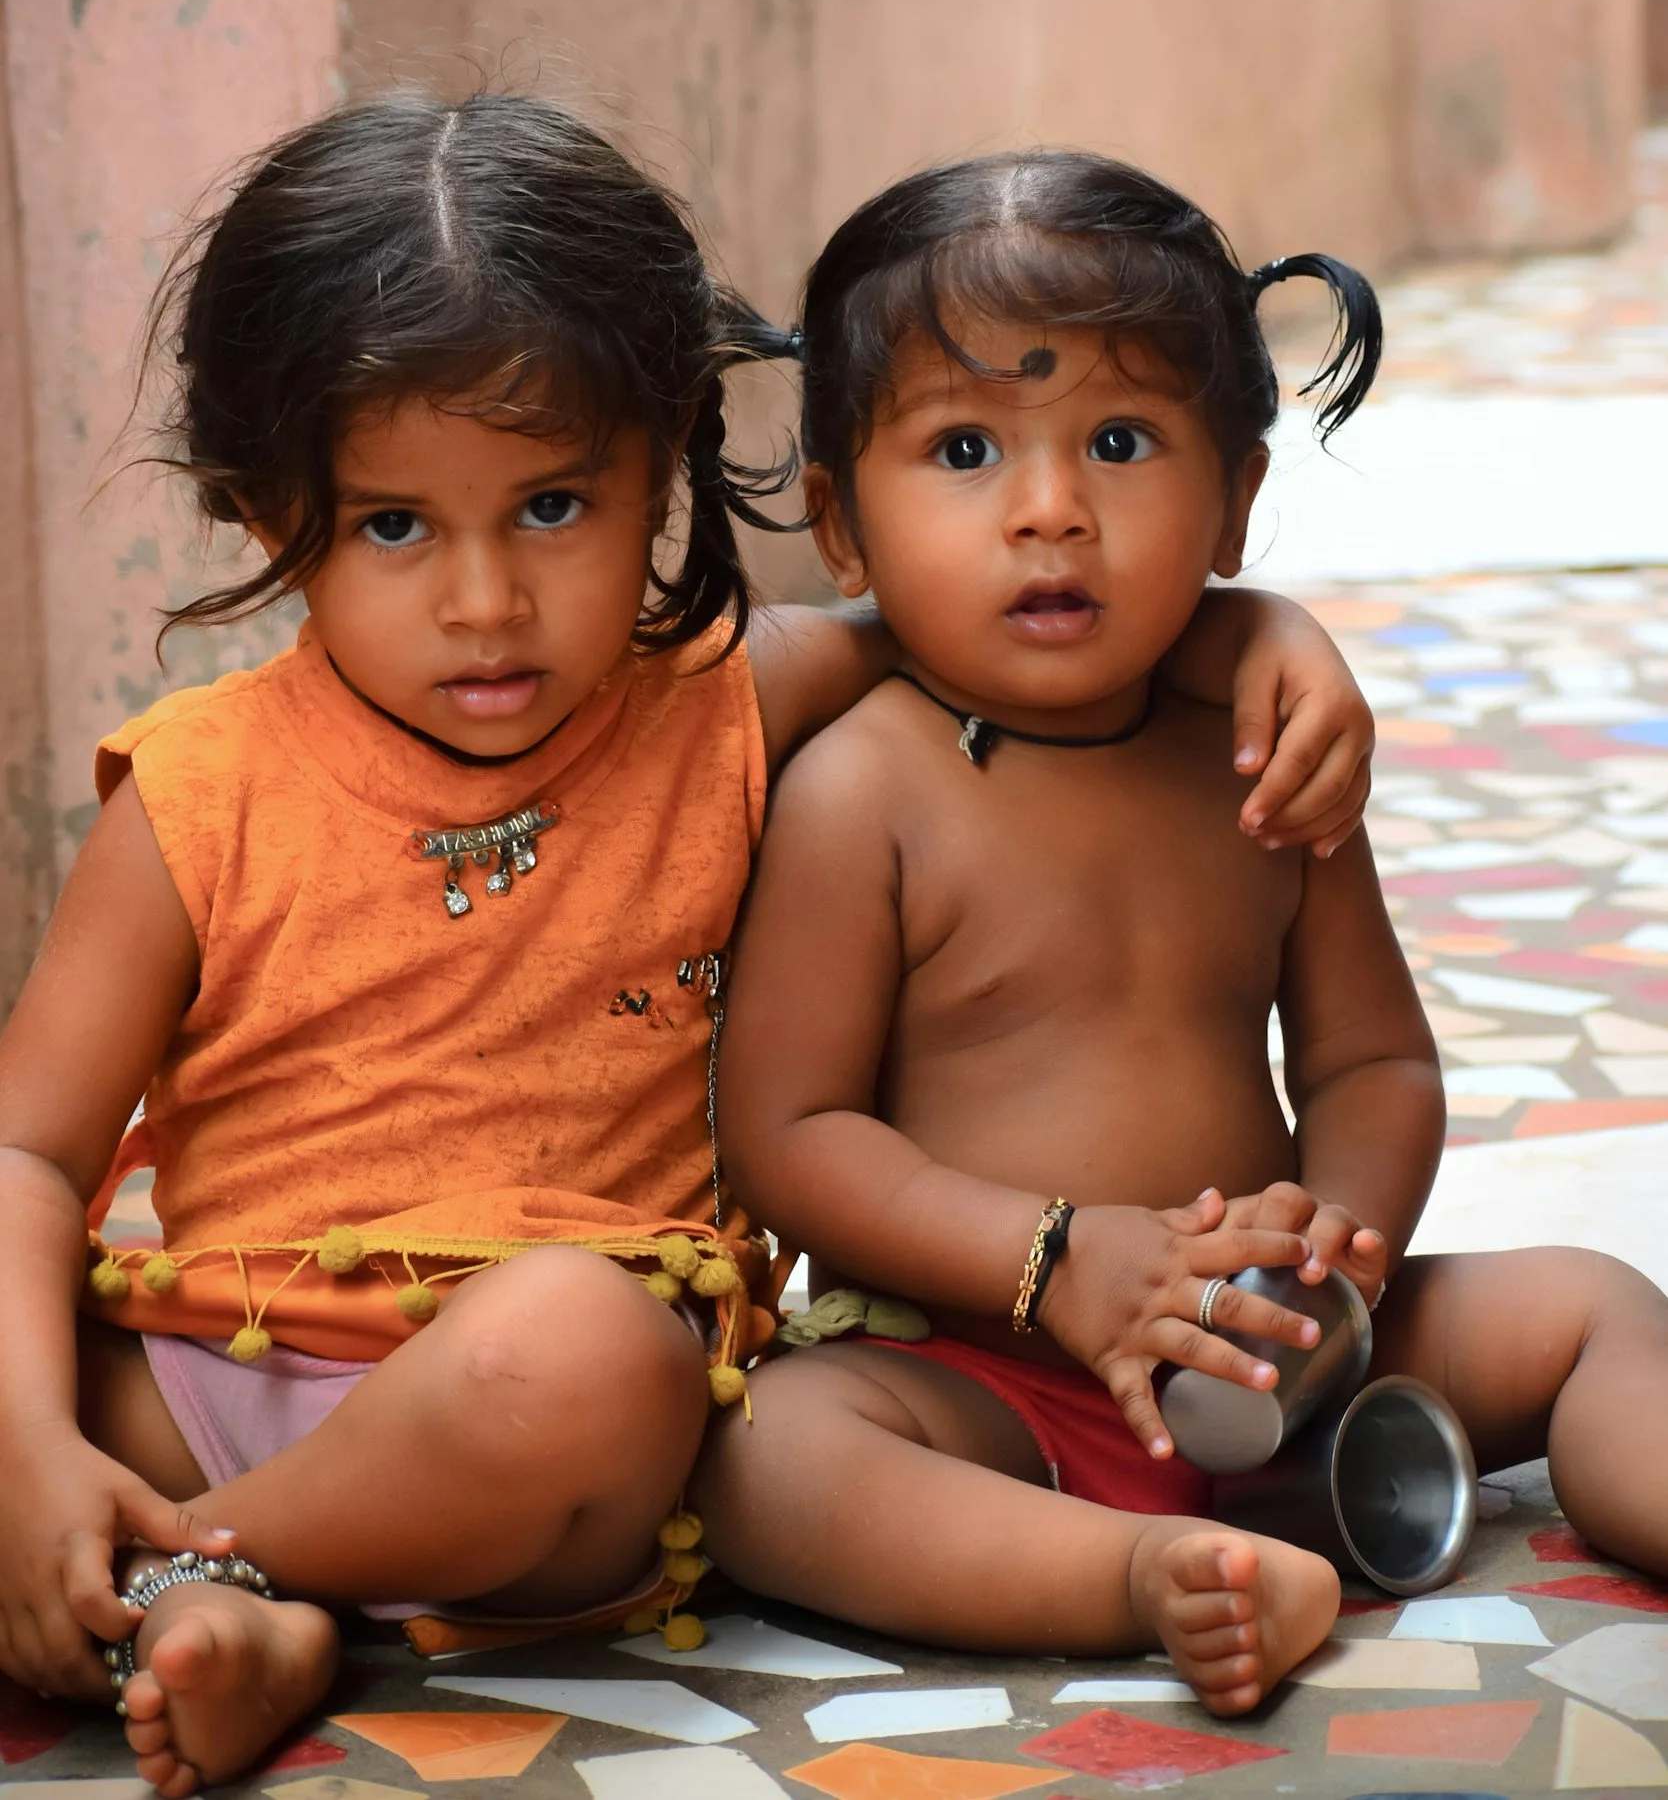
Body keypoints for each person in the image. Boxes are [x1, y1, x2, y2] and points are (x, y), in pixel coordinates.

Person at [0, 103, 1373, 1795]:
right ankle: (236, 1591)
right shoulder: (200, 789)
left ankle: (197, 1581)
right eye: (393, 526)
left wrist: (1262, 630)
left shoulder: (725, 707)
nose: (487, 601)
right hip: (209, 1378)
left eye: (557, 506)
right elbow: (26, 1152)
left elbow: (1009, 617)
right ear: (261, 499)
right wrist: (32, 1455)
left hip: (552, 1441)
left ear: (663, 465)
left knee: (581, 1351)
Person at [699, 149, 1668, 1717]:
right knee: (769, 1454)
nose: (1050, 511)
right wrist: (1053, 1264)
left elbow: (1371, 1062)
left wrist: (1337, 1257)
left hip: (1281, 1357)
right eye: (962, 450)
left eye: (1122, 441)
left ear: (1234, 499)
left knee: (1594, 1302)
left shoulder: (1259, 760)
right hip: (992, 1376)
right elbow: (788, 1139)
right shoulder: (860, 791)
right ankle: (1140, 1579)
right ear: (843, 527)